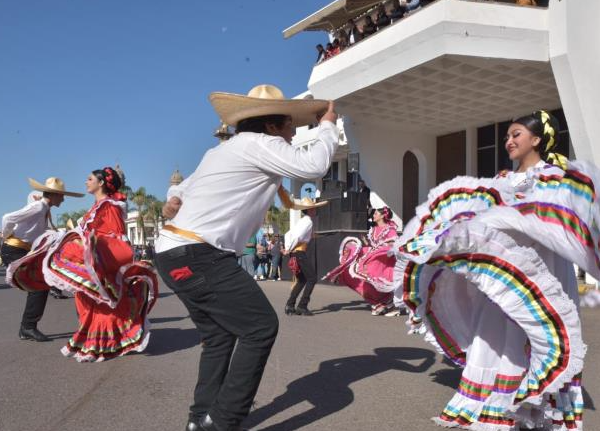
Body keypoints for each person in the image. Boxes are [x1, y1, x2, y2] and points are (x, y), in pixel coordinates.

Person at [391, 110, 597, 430]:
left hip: (543, 273)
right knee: (494, 333)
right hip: (504, 273)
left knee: (535, 332)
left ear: (537, 140)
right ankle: (498, 403)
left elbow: (561, 225)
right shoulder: (501, 179)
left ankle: (537, 405)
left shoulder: (555, 176)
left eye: (516, 135)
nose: (509, 141)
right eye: (507, 136)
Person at [154, 84, 338, 431]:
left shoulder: (222, 151)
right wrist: (327, 125)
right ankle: (222, 422)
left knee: (220, 336)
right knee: (260, 326)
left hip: (173, 251)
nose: (293, 133)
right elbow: (313, 165)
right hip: (199, 253)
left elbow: (183, 186)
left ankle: (199, 419)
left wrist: (174, 198)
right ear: (271, 127)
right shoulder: (261, 144)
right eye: (289, 126)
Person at [7, 168, 158, 360]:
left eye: (90, 179)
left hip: (101, 258)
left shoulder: (109, 206)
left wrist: (87, 245)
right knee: (82, 295)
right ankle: (34, 327)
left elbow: (116, 237)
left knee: (94, 298)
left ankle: (106, 340)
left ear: (101, 183)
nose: (86, 182)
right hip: (82, 256)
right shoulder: (97, 206)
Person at [1, 177, 83, 341]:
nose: (63, 199)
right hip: (14, 249)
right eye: (61, 195)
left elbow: (42, 233)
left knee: (41, 284)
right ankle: (27, 327)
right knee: (39, 285)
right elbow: (8, 218)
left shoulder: (44, 210)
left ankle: (27, 327)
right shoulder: (38, 207)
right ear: (53, 195)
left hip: (22, 250)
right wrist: (6, 235)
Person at [324, 207, 398, 315]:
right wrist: (366, 244)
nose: (373, 215)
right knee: (351, 274)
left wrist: (381, 247)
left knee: (373, 277)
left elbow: (393, 243)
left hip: (383, 260)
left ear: (382, 216)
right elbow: (372, 244)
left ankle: (387, 302)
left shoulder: (389, 229)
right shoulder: (373, 230)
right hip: (372, 257)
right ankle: (378, 303)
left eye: (376, 214)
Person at [283, 197, 327, 316]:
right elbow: (297, 237)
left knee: (302, 279)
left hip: (296, 252)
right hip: (299, 252)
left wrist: (289, 248)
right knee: (312, 278)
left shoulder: (303, 221)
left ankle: (290, 305)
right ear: (309, 210)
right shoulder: (308, 222)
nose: (314, 209)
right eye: (312, 208)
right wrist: (289, 248)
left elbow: (288, 234)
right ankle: (302, 306)